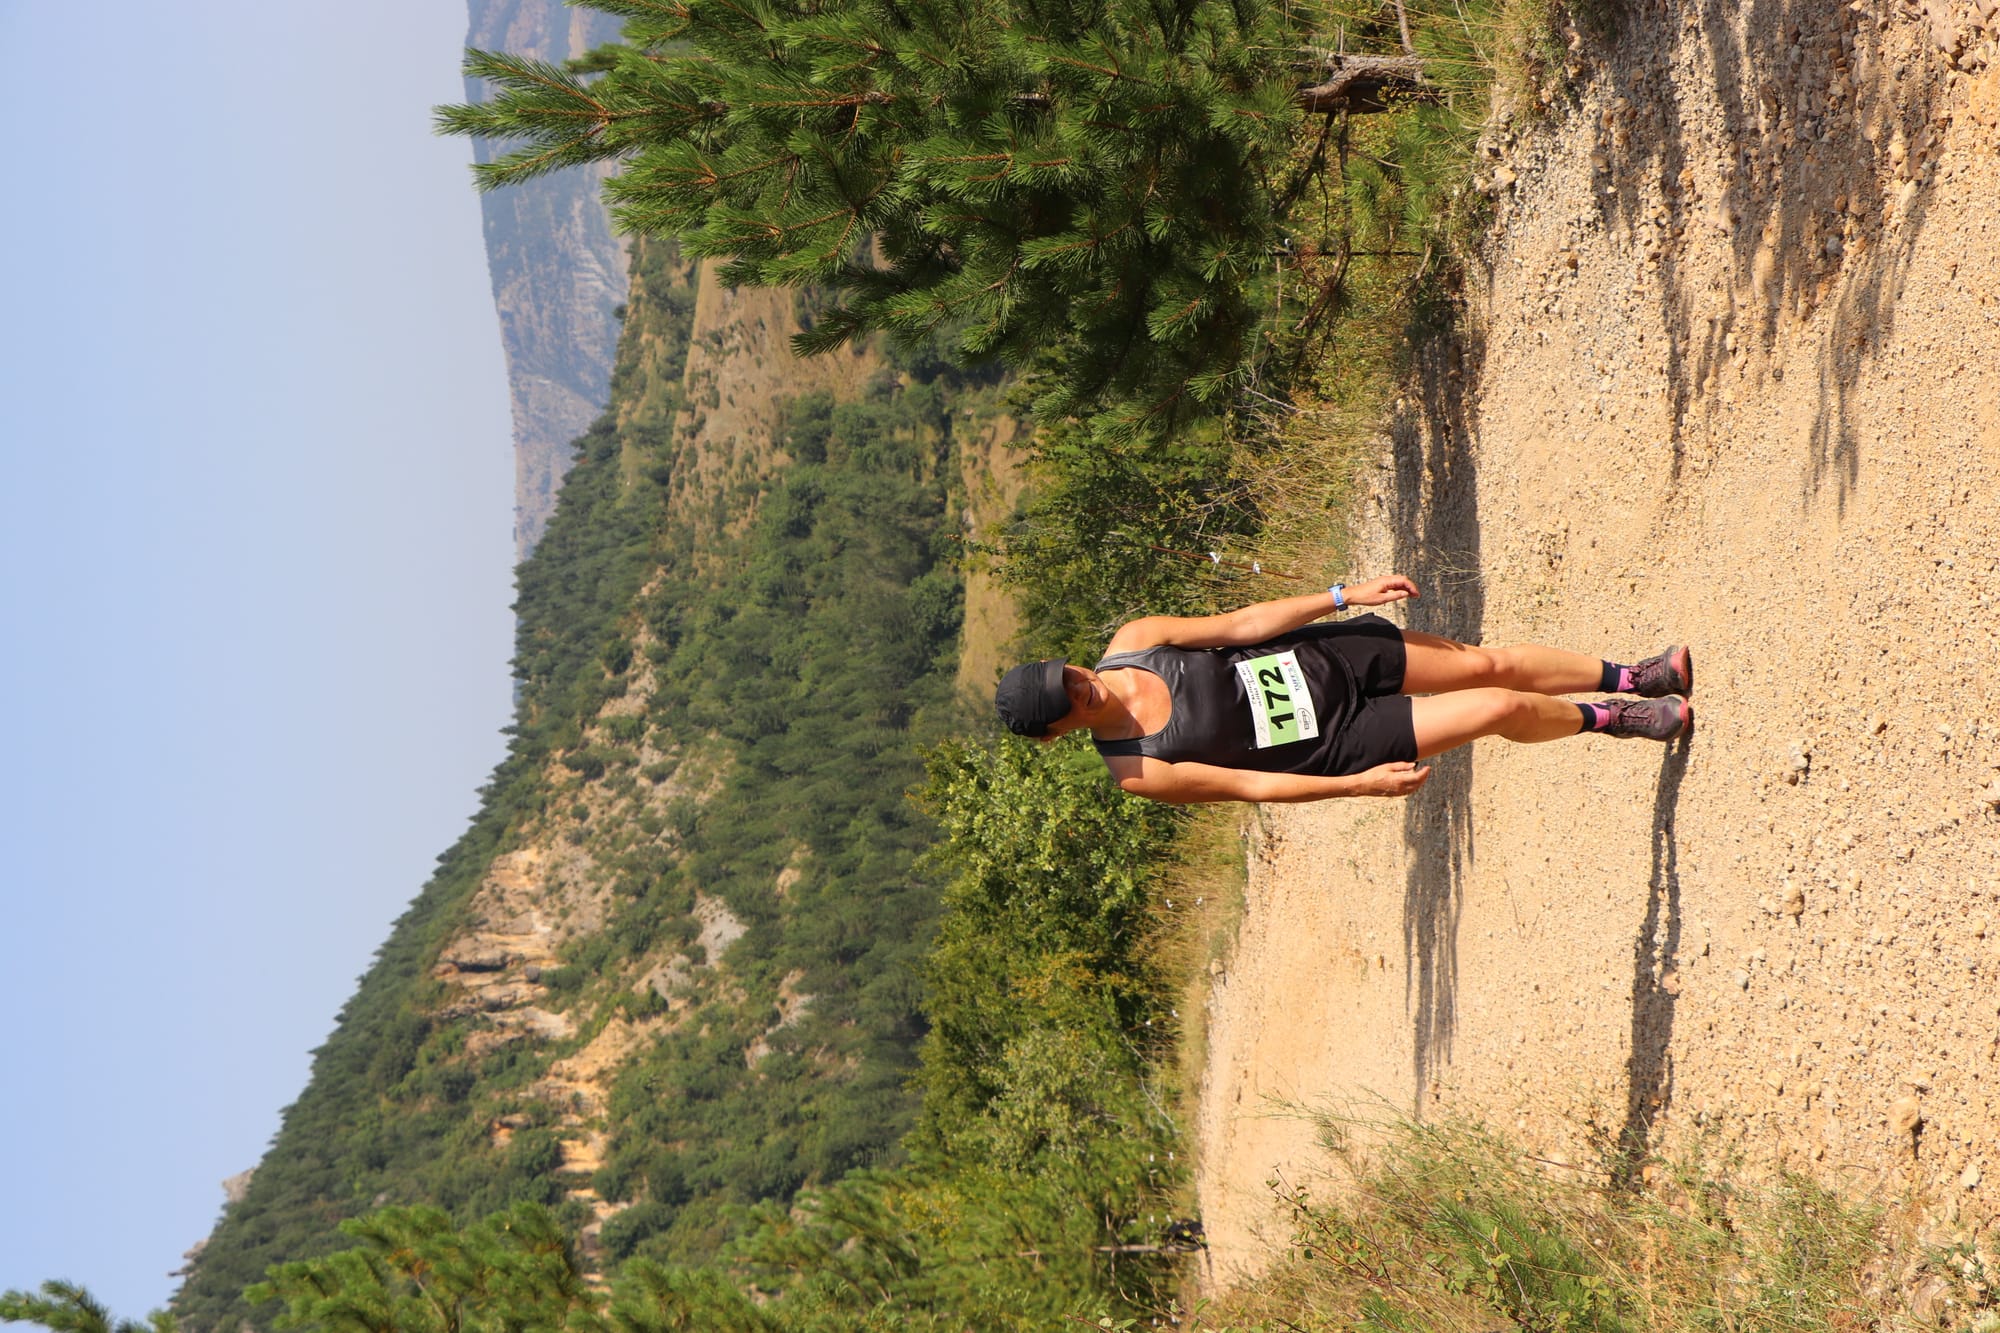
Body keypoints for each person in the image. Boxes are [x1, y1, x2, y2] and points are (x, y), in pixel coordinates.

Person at [993, 575, 1690, 804]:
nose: (1084, 685)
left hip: (1329, 659)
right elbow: (1252, 788)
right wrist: (1356, 785)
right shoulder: (1137, 768)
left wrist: (1340, 595)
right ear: (1058, 731)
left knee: (1488, 667)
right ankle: (1615, 717)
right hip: (1336, 742)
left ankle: (1633, 675)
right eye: (1069, 700)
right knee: (1499, 710)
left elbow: (1242, 624)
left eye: (1069, 674)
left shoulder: (1135, 639)